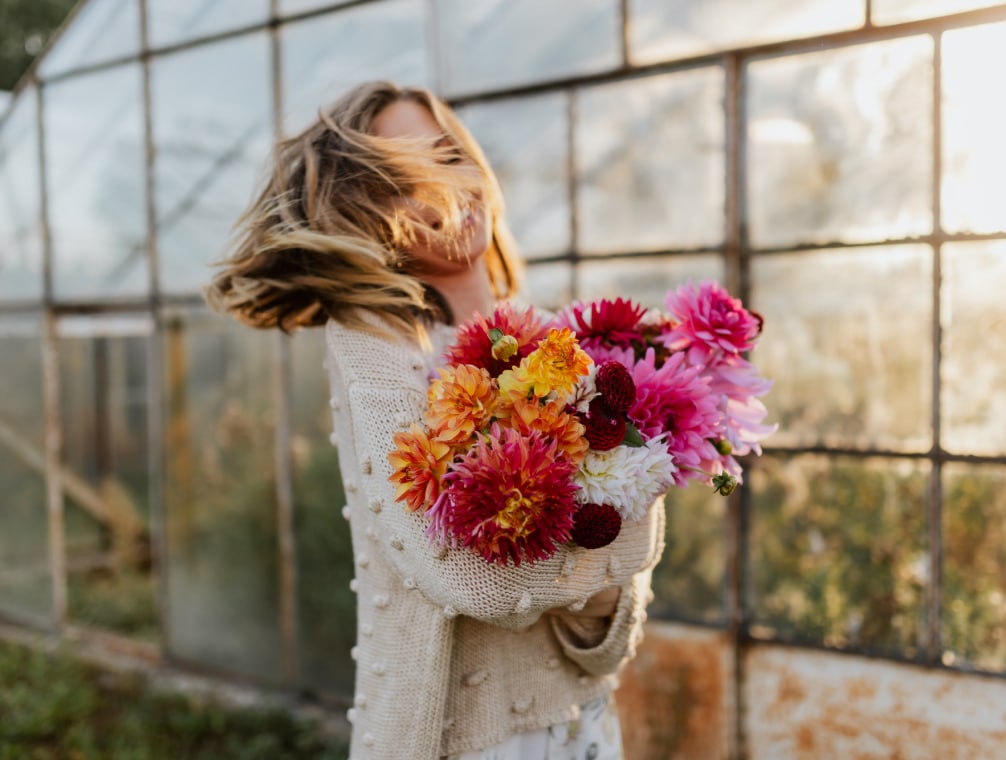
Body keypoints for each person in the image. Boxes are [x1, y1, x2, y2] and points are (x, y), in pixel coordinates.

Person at [206, 81, 665, 760]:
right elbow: (471, 578)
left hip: (584, 725)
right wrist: (626, 546)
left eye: (451, 154)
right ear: (367, 207)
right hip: (456, 743)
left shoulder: (546, 336)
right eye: (409, 173)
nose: (451, 183)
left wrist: (607, 567)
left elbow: (611, 614)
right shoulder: (373, 343)